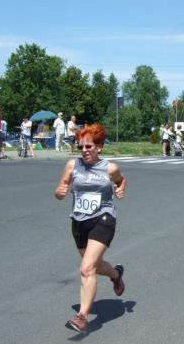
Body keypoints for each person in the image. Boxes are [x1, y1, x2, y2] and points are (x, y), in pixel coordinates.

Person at [54, 124, 127, 334]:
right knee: (94, 266)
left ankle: (82, 317)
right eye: (81, 146)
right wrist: (59, 193)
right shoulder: (71, 165)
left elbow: (121, 181)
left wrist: (120, 190)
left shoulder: (109, 168)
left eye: (89, 146)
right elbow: (60, 191)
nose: (84, 150)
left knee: (86, 268)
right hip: (79, 222)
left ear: (100, 147)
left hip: (103, 219)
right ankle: (115, 274)